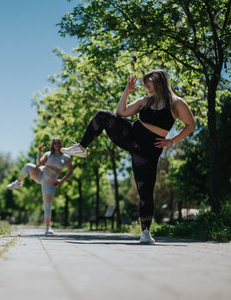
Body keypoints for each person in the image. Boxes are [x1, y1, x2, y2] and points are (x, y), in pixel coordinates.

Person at [61, 69, 195, 243]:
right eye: (145, 82)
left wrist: (171, 141)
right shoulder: (145, 101)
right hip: (132, 136)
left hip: (148, 149)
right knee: (103, 115)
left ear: (159, 81)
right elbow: (121, 113)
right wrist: (127, 90)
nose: (146, 85)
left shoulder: (176, 103)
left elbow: (190, 125)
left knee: (145, 191)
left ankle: (145, 232)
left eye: (149, 82)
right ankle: (81, 147)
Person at [7, 138, 73, 235]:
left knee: (47, 205)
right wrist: (39, 152)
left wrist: (61, 181)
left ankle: (47, 227)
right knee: (28, 166)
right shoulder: (48, 154)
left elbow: (70, 172)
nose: (56, 144)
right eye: (54, 143)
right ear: (52, 145)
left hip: (49, 182)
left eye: (58, 142)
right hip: (40, 174)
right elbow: (38, 164)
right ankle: (17, 183)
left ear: (61, 144)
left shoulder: (66, 157)